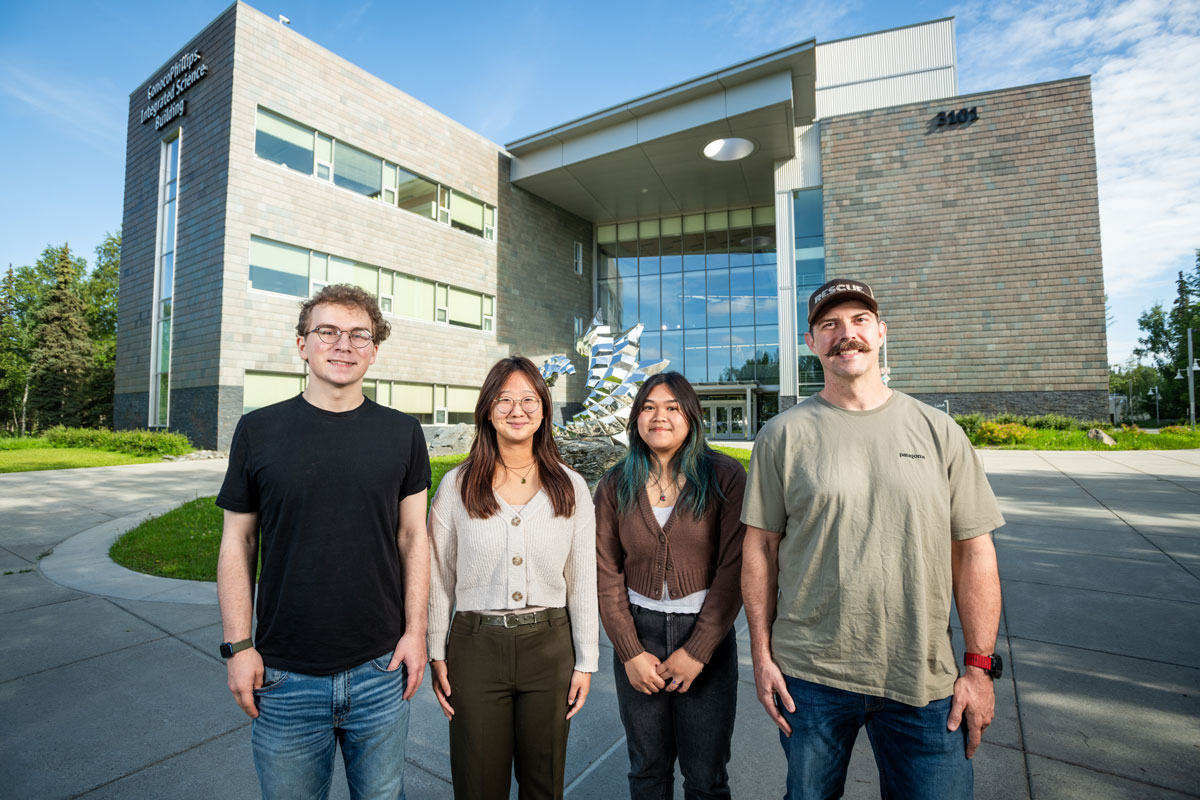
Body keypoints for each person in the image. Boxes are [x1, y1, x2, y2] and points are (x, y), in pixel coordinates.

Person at [740, 278, 1005, 799]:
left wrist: (979, 668)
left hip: (924, 680)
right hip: (810, 679)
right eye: (830, 325)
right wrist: (762, 657)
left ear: (881, 333)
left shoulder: (938, 430)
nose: (847, 335)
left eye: (859, 321)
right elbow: (759, 550)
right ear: (811, 342)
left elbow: (974, 551)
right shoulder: (782, 435)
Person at [215, 283, 431, 800]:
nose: (343, 345)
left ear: (374, 351)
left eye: (359, 335)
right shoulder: (257, 430)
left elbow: (413, 536)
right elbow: (236, 544)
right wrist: (239, 646)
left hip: (381, 665)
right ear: (302, 344)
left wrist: (417, 631)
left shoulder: (402, 432)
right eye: (327, 331)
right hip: (284, 672)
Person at [427, 355, 598, 800]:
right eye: (504, 400)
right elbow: (439, 577)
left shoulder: (570, 486)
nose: (516, 410)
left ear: (543, 409)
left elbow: (581, 581)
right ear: (487, 409)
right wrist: (435, 651)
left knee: (543, 785)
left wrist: (586, 660)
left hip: (549, 648)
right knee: (477, 784)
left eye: (528, 399)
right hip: (475, 648)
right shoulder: (457, 485)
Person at [594, 371, 747, 799]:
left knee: (706, 776)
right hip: (640, 635)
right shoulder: (614, 483)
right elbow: (606, 574)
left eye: (672, 407)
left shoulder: (725, 476)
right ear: (636, 419)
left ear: (691, 416)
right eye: (648, 407)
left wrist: (698, 651)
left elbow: (733, 570)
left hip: (707, 639)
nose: (659, 416)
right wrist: (629, 653)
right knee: (647, 770)